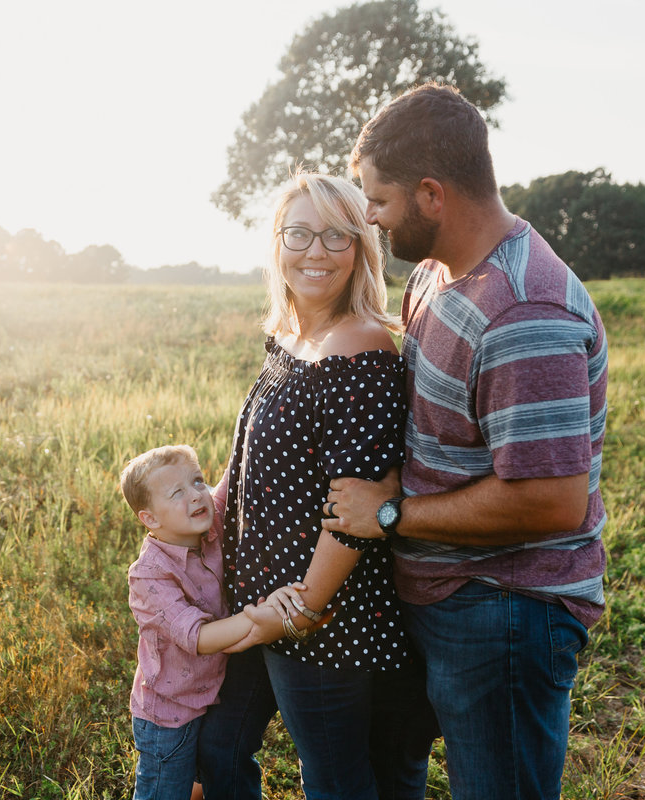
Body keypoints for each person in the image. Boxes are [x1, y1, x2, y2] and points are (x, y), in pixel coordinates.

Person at [323, 82, 609, 799]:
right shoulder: (434, 272)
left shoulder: (523, 311)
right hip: (438, 594)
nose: (370, 218)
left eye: (379, 201)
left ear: (430, 195)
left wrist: (391, 514)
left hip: (503, 608)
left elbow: (549, 503)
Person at [198, 172, 437, 800]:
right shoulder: (289, 337)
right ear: (277, 243)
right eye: (299, 233)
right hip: (257, 603)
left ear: (361, 249)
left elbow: (355, 508)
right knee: (219, 750)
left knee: (336, 781)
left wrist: (299, 613)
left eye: (337, 236)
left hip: (325, 619)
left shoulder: (359, 345)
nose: (316, 251)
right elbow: (250, 462)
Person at [122, 444, 304, 800]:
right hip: (169, 714)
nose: (195, 495)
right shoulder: (149, 577)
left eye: (197, 481)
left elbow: (234, 474)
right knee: (165, 791)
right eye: (178, 492)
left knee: (202, 779)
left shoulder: (210, 521)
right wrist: (260, 618)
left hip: (210, 691)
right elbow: (200, 637)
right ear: (151, 519)